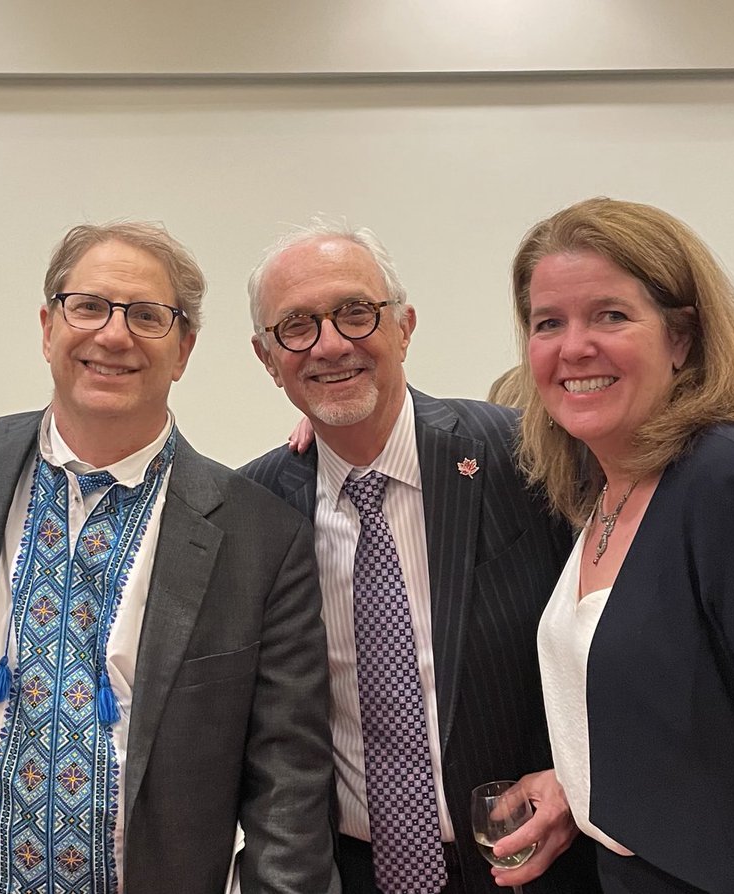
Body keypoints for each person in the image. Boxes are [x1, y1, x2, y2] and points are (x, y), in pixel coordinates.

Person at [0, 221, 337, 894]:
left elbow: (288, 793)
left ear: (185, 349)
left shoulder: (261, 538)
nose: (113, 335)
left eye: (147, 316)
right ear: (49, 324)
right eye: (88, 307)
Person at [241, 221, 600, 894]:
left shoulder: (525, 454)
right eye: (296, 326)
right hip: (346, 873)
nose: (330, 343)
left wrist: (583, 775)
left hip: (536, 863)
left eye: (355, 313)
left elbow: (626, 642)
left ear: (404, 326)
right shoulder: (252, 505)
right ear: (267, 358)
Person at [513, 196, 734, 894]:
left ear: (681, 337)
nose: (574, 347)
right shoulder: (605, 489)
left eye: (611, 315)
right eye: (548, 323)